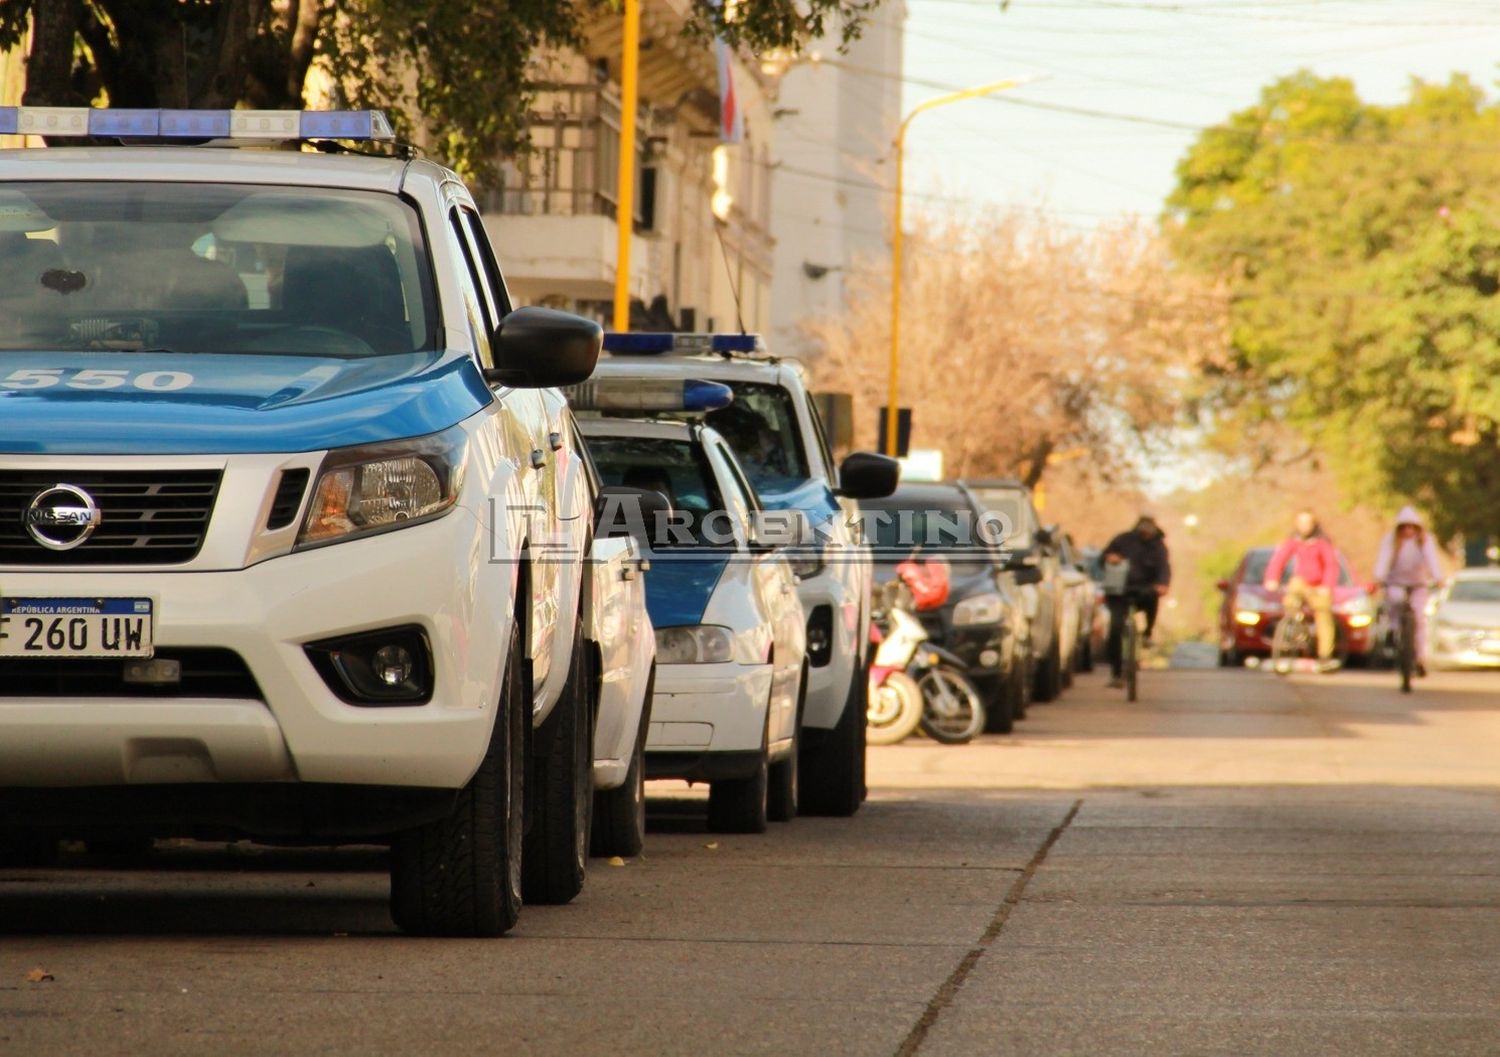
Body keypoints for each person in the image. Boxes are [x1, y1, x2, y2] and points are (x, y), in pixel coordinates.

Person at [1265, 510, 1342, 671]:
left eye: (1307, 523)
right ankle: (1294, 627)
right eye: (1301, 522)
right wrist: (1272, 579)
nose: (1304, 526)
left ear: (1314, 524)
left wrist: (1327, 586)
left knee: (1323, 615)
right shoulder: (1294, 542)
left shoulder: (1322, 543)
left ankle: (1324, 656)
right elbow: (1279, 559)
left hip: (1319, 585)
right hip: (1300, 582)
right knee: (1291, 597)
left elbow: (1331, 565)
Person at [1102, 515, 1171, 689]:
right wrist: (1110, 558)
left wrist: (1162, 584)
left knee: (1152, 600)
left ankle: (1148, 632)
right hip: (1119, 591)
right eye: (1143, 532)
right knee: (1115, 629)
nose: (1145, 535)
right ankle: (1116, 673)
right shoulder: (1123, 540)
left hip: (1144, 590)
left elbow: (1164, 568)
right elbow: (1103, 556)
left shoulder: (1158, 546)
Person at [1372, 505, 1443, 676]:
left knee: (1418, 619)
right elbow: (1384, 559)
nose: (1408, 531)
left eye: (1412, 527)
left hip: (1418, 585)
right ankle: (1396, 633)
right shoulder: (1391, 540)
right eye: (1404, 527)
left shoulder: (1424, 540)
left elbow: (1432, 559)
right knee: (1395, 604)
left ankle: (1419, 658)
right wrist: (1379, 577)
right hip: (1395, 583)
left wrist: (1437, 577)